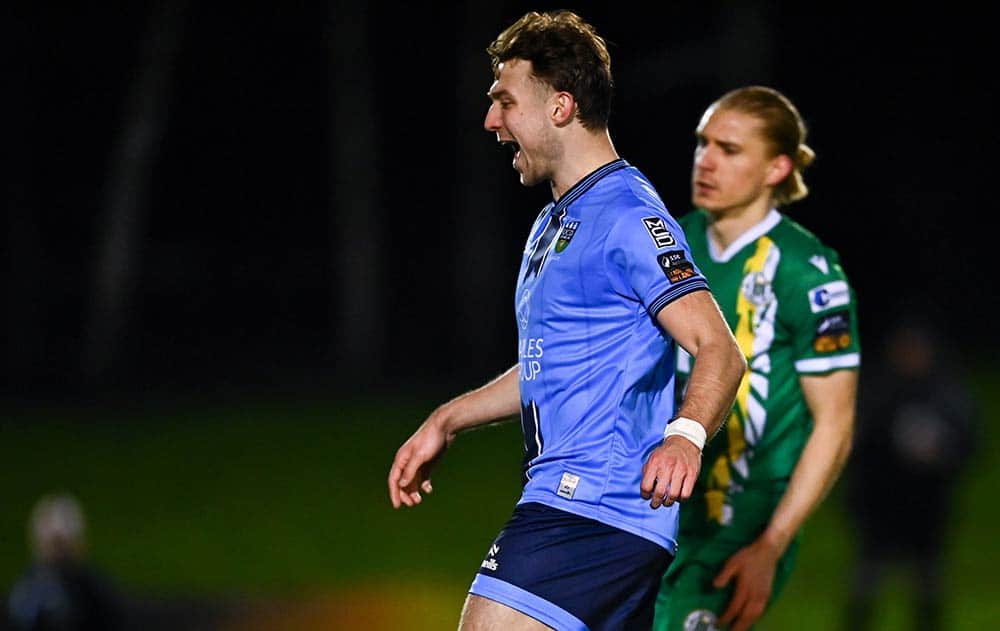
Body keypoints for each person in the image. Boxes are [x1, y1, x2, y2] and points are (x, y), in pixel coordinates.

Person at [387, 10, 746, 631]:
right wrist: (447, 419)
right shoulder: (554, 220)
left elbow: (719, 347)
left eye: (505, 101)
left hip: (594, 507)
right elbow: (550, 367)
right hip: (585, 510)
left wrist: (685, 437)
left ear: (560, 106)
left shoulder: (627, 215)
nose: (491, 120)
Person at [652, 86, 861, 631]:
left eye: (729, 149)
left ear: (777, 168)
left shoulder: (808, 273)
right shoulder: (667, 242)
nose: (706, 161)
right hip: (651, 502)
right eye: (703, 143)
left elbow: (835, 423)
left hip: (738, 527)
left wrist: (772, 544)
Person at [843, 315, 978, 631]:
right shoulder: (879, 392)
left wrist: (940, 452)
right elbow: (856, 443)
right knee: (868, 577)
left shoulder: (946, 394)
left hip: (927, 507)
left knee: (927, 579)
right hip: (880, 505)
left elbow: (968, 444)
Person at [6, 494, 124, 631]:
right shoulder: (25, 590)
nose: (59, 553)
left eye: (62, 543)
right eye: (55, 544)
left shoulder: (97, 591)